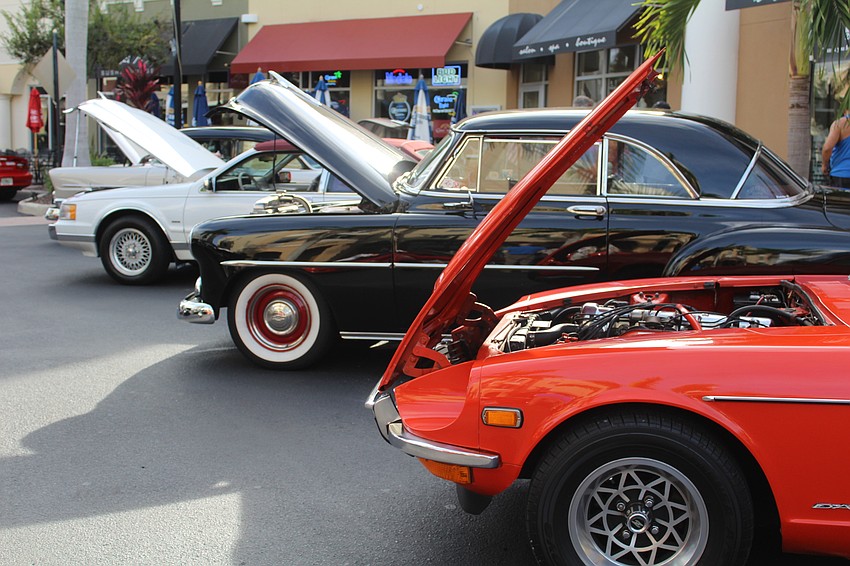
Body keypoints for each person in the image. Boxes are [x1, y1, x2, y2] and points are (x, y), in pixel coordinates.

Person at [822, 110, 850, 188]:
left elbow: (827, 148)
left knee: (840, 200)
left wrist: (824, 164)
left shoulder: (840, 124)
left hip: (842, 174)